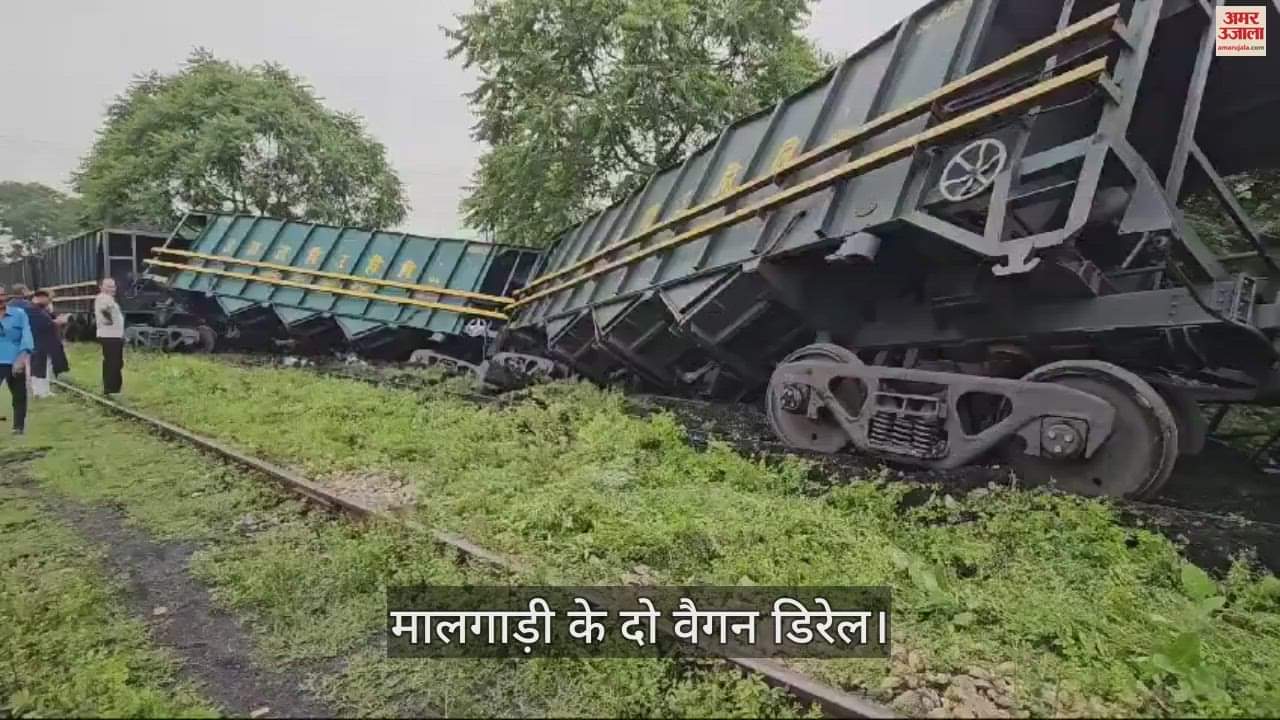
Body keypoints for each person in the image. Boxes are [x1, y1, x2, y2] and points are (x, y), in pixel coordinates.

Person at [0, 285, 34, 435]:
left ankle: (18, 427)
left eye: (2, 295)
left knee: (19, 395)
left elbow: (27, 335)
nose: (0, 299)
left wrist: (22, 357)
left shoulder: (19, 314)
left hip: (15, 360)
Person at [28, 290, 70, 398]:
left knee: (43, 366)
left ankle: (43, 390)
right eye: (48, 299)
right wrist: (58, 321)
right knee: (40, 366)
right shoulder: (33, 309)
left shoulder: (39, 309)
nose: (49, 301)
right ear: (41, 298)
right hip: (40, 341)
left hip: (43, 341)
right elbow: (44, 324)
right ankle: (40, 391)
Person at [94, 278, 125, 395]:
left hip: (111, 335)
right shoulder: (104, 298)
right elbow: (104, 311)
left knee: (111, 362)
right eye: (109, 286)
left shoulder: (106, 298)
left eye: (113, 286)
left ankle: (110, 388)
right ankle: (112, 389)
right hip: (110, 336)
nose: (112, 289)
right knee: (114, 362)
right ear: (101, 287)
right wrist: (109, 321)